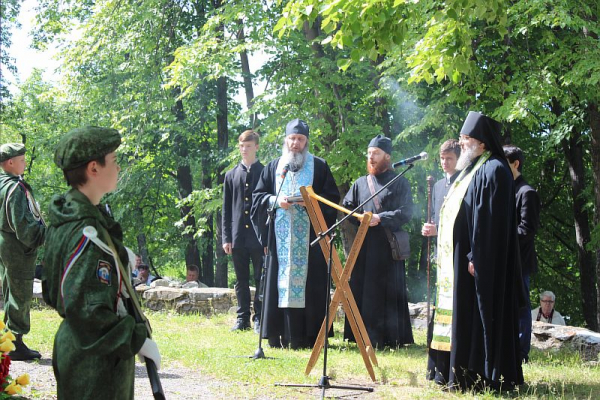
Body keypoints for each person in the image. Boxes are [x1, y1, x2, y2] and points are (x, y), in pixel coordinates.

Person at [42, 126, 161, 399]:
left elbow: (54, 288)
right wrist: (135, 339)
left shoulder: (74, 219)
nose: (118, 168)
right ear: (94, 168)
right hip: (94, 360)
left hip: (87, 350)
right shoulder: (86, 232)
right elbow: (87, 312)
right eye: (114, 161)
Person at [427, 111, 524, 391]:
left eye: (466, 139)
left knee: (482, 316)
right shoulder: (473, 168)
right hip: (463, 261)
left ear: (481, 143)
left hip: (480, 262)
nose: (461, 144)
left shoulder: (494, 170)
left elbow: (490, 222)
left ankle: (483, 374)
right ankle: (459, 371)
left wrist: (476, 256)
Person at [251, 118, 340, 349]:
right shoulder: (273, 166)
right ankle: (277, 335)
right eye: (292, 138)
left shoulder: (319, 166)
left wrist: (311, 204)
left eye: (300, 139)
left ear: (306, 142)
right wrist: (276, 200)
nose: (296, 143)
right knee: (279, 283)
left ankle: (310, 337)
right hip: (280, 241)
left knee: (310, 286)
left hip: (310, 240)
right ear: (286, 140)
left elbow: (332, 199)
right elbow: (258, 198)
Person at [342, 135, 414, 348]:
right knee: (363, 289)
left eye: (376, 153)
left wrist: (380, 218)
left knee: (387, 291)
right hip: (363, 247)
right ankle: (360, 335)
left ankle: (389, 338)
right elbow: (347, 208)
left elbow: (407, 212)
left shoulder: (400, 181)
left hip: (387, 248)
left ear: (387, 157)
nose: (371, 158)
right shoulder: (360, 183)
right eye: (369, 153)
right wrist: (359, 217)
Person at [0, 143, 46, 360]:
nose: (25, 162)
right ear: (10, 163)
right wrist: (43, 236)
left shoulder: (2, 184)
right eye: (21, 159)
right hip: (18, 248)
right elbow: (24, 226)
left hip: (4, 244)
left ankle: (8, 339)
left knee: (10, 290)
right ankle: (15, 343)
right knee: (20, 293)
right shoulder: (15, 188)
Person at [222, 130, 265, 333]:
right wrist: (226, 237)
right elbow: (226, 209)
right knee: (240, 280)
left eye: (248, 146)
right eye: (241, 146)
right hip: (238, 235)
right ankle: (242, 319)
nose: (244, 149)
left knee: (260, 278)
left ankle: (259, 318)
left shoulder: (265, 173)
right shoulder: (231, 175)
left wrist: (267, 238)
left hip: (258, 236)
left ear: (256, 147)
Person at [504, 145, 541, 362]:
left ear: (515, 164)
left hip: (520, 261)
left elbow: (527, 229)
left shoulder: (527, 193)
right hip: (505, 259)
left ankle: (521, 352)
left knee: (520, 306)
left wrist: (500, 236)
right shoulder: (507, 189)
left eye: (504, 163)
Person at [421, 139, 461, 237]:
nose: (444, 162)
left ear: (458, 158)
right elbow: (434, 215)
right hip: (438, 247)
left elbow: (462, 220)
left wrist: (438, 230)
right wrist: (428, 227)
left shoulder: (464, 183)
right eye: (442, 158)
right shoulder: (437, 186)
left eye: (449, 158)